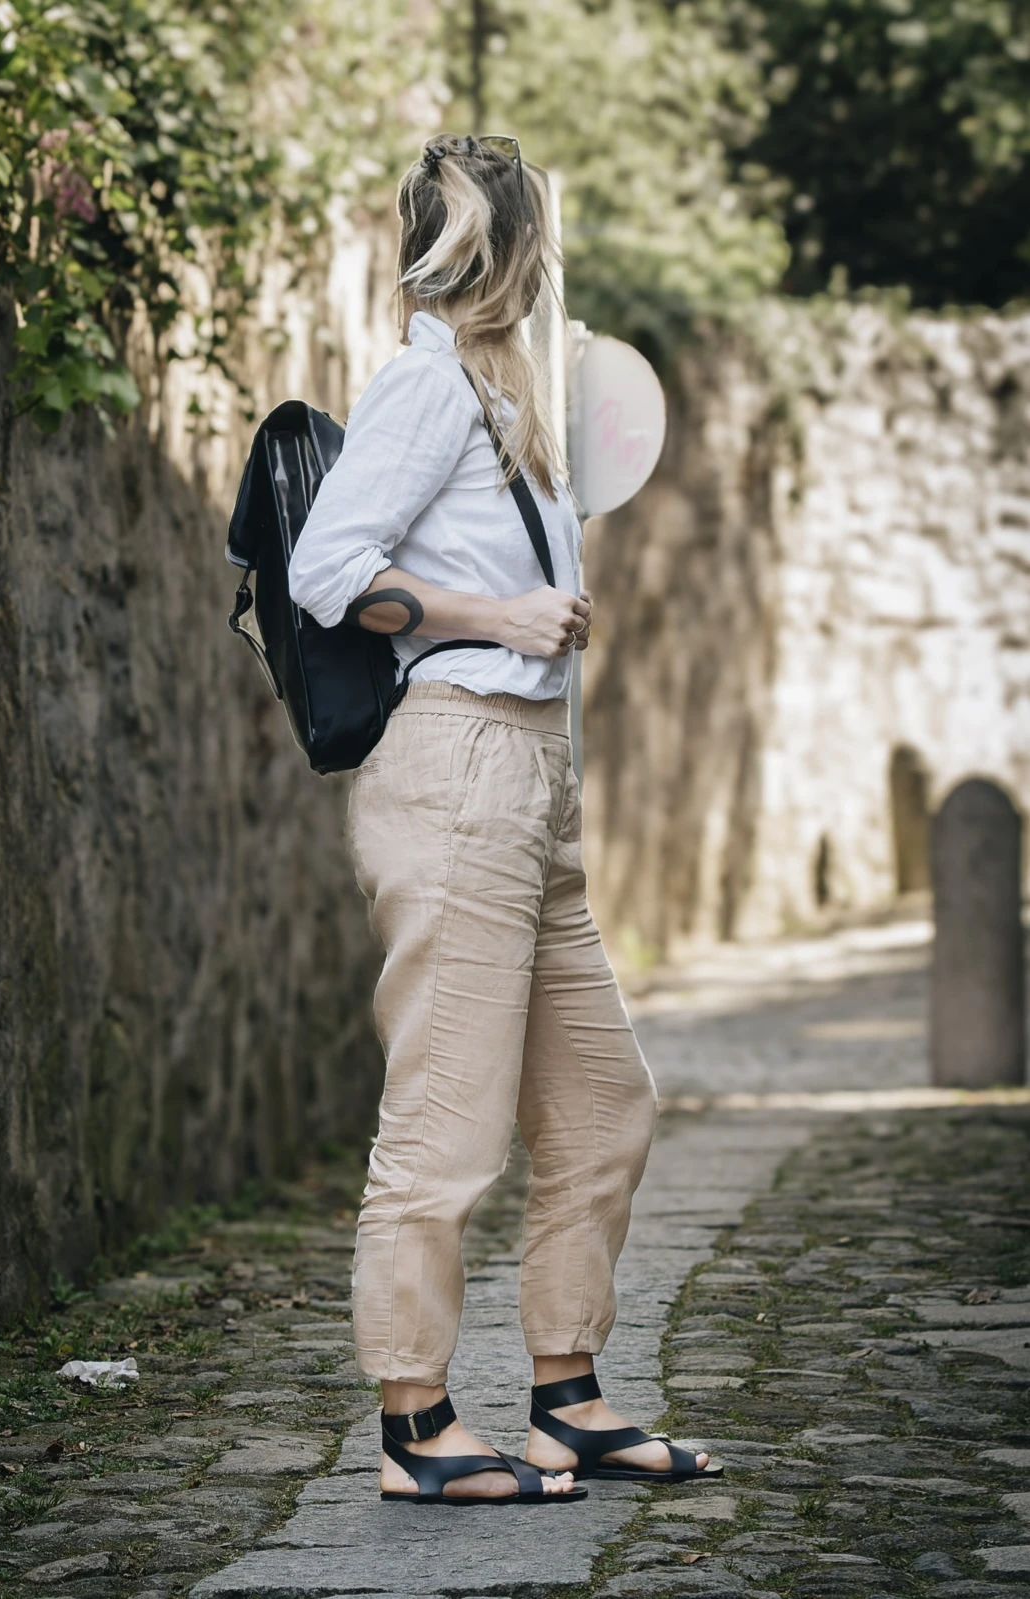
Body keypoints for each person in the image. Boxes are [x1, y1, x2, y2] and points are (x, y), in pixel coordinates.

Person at [287, 133, 719, 1507]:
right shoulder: (423, 387)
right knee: (447, 1122)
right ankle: (413, 1422)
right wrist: (498, 615)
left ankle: (567, 1398)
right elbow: (324, 571)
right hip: (456, 770)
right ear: (517, 252)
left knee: (601, 1105)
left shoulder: (508, 395)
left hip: (538, 782)